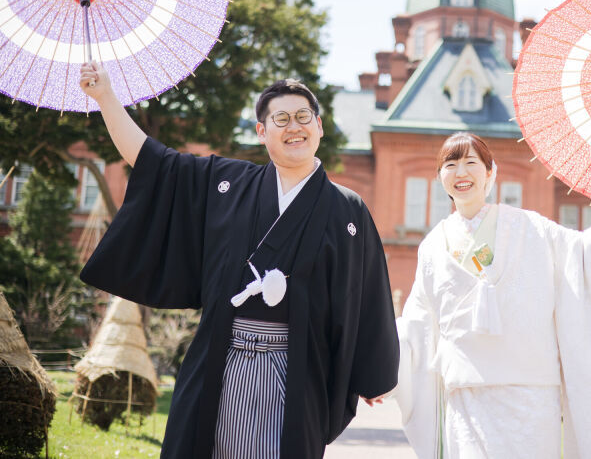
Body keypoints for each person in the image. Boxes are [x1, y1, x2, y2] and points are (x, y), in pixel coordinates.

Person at [78, 62, 399, 459]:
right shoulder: (227, 184)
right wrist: (106, 97)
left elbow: (366, 295)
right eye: (280, 118)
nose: (293, 126)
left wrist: (371, 373)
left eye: (303, 117)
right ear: (262, 132)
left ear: (319, 126)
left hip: (296, 372)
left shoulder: (348, 210)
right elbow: (152, 162)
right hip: (221, 358)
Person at [394, 132, 591, 459]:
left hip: (530, 395)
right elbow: (417, 325)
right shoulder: (432, 247)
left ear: (490, 172)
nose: (461, 172)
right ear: (440, 176)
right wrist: (382, 372)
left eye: (471, 162)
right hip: (467, 397)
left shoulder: (529, 228)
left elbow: (587, 251)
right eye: (450, 164)